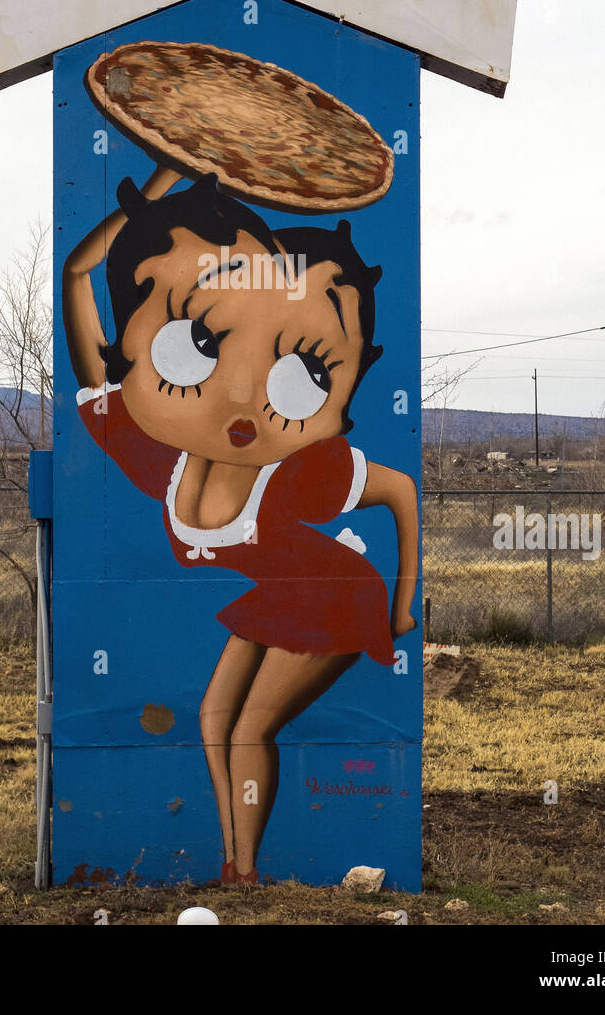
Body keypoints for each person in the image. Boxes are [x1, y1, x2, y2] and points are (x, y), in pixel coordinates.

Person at [63, 166, 419, 884]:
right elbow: (78, 275)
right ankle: (234, 862)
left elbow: (401, 490)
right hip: (281, 599)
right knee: (211, 722)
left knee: (249, 728)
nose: (242, 396)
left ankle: (244, 873)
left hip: (336, 602)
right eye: (195, 345)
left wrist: (403, 603)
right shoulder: (152, 460)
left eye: (302, 376)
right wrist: (164, 176)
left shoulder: (299, 473)